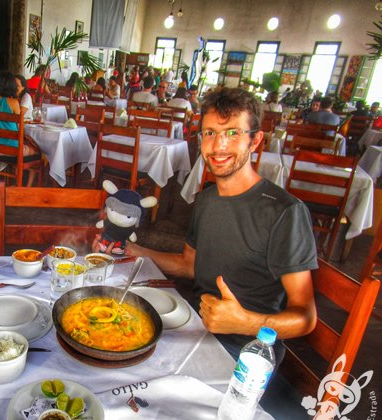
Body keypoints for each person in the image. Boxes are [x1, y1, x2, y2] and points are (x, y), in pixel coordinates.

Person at [96, 87, 318, 361]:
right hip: (195, 328)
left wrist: (244, 322)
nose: (219, 145)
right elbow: (190, 265)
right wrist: (135, 251)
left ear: (255, 140)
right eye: (210, 133)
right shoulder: (207, 199)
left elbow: (306, 318)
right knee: (109, 335)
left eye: (233, 133)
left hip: (246, 350)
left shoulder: (285, 211)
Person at [0, 72, 39, 185]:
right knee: (38, 153)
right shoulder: (13, 103)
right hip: (13, 150)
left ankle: (6, 180)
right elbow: (19, 128)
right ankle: (26, 188)